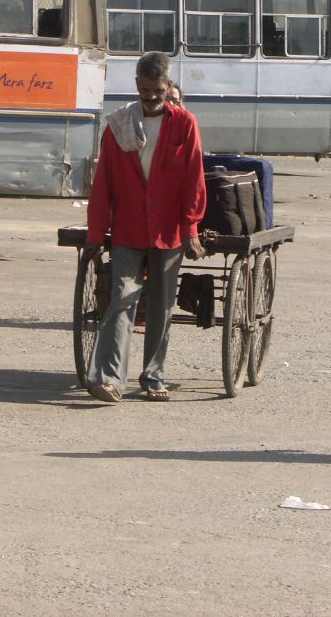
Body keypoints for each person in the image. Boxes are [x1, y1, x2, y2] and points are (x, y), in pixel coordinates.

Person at [83, 52, 206, 403]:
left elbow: (194, 180)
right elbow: (103, 181)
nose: (152, 96)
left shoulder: (185, 124)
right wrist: (96, 233)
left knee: (162, 305)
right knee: (122, 300)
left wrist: (191, 229)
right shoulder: (118, 125)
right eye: (146, 89)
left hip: (168, 230)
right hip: (128, 228)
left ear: (168, 87)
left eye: (159, 90)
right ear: (137, 84)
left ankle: (154, 376)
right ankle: (109, 379)